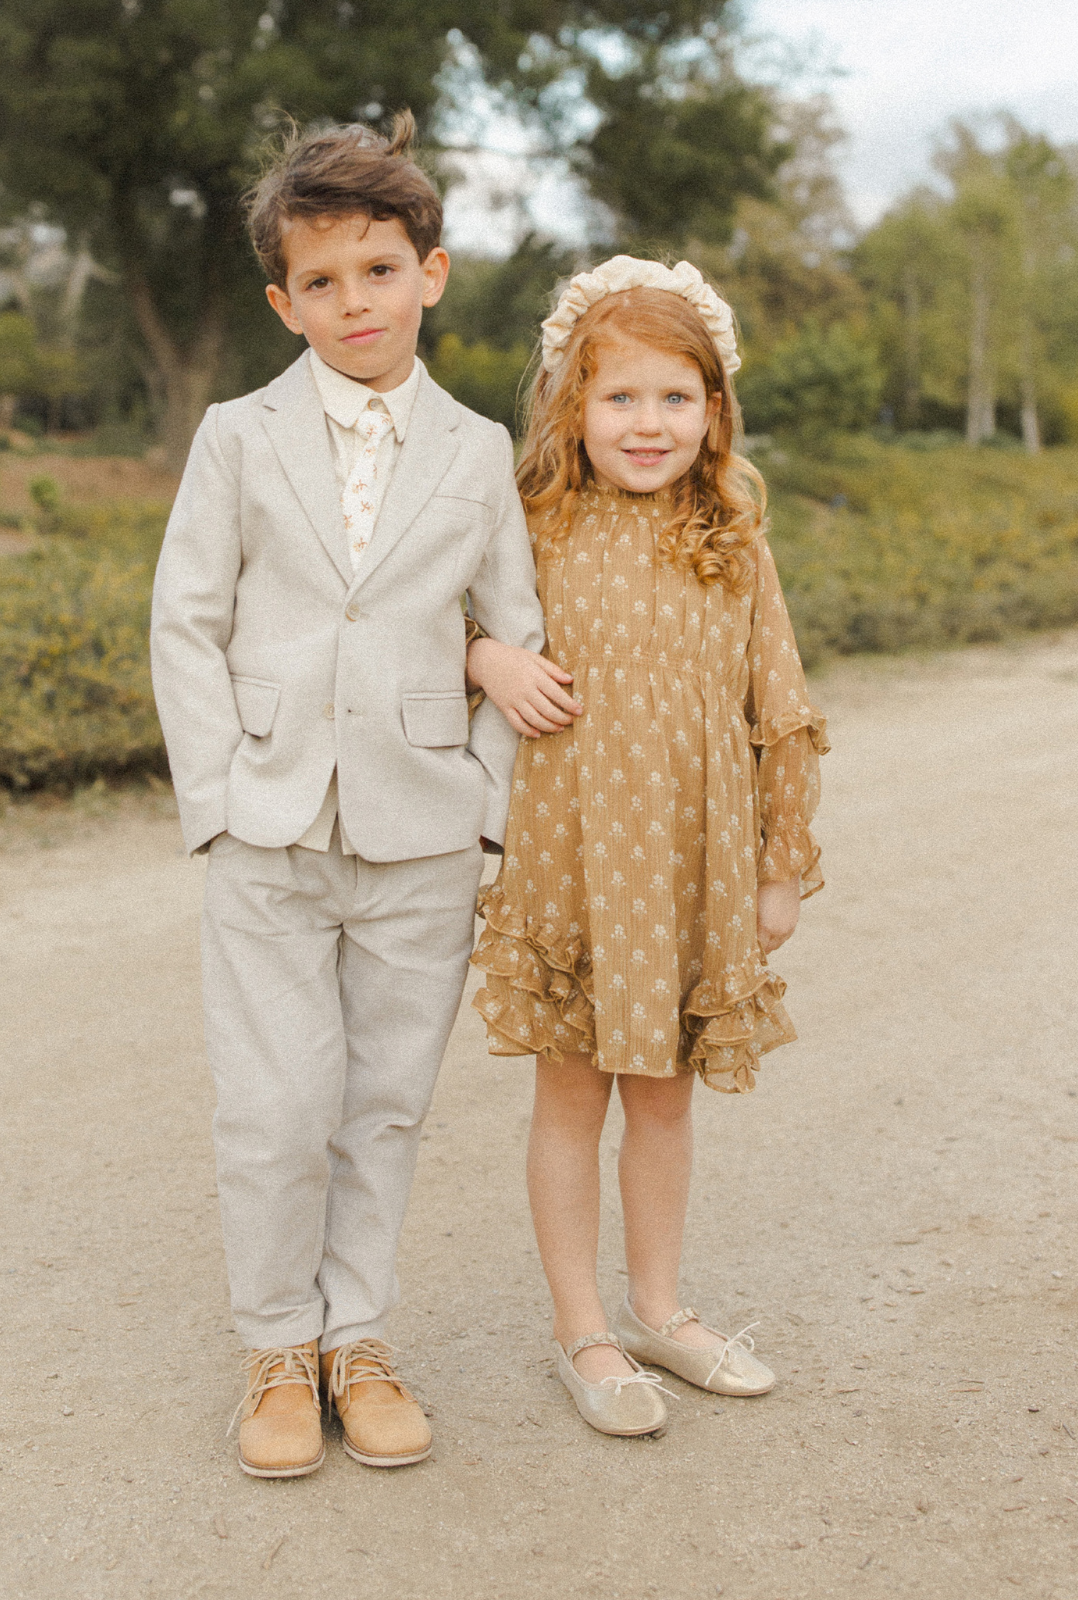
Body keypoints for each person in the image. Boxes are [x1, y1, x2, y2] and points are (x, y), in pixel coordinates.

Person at [150, 113, 544, 1477]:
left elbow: (517, 634)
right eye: (320, 282)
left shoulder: (478, 451)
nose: (353, 302)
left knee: (382, 1102)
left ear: (430, 271)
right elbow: (184, 622)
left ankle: (357, 1335)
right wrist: (214, 796)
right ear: (283, 301)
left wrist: (484, 806)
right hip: (265, 824)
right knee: (274, 1106)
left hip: (423, 830)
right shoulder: (237, 439)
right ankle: (276, 1343)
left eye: (377, 270)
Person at [465, 256, 828, 1438]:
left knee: (663, 1102)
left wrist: (778, 867)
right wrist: (488, 660)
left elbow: (779, 705)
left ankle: (658, 1307)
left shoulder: (731, 537)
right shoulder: (534, 522)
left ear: (712, 411)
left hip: (690, 866)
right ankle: (583, 1330)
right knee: (571, 1097)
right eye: (618, 397)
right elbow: (441, 619)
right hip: (571, 856)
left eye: (675, 397)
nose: (646, 423)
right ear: (571, 404)